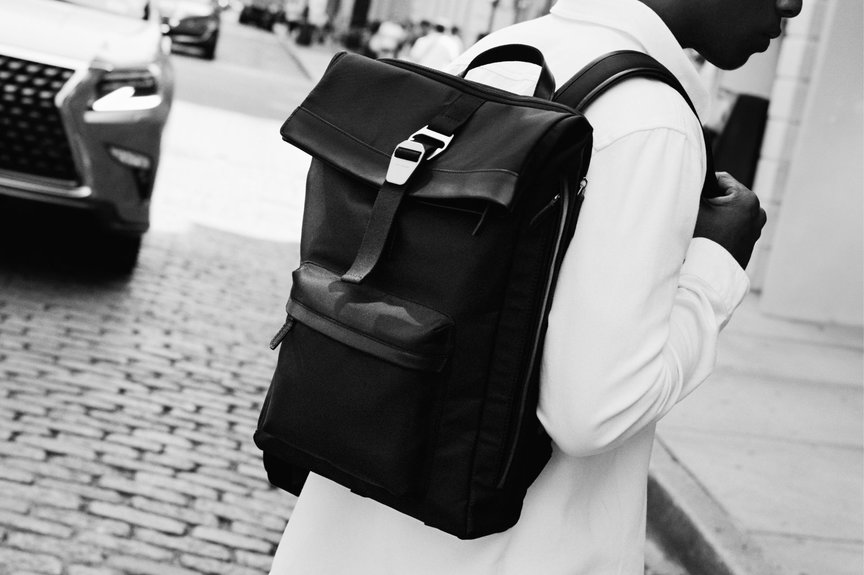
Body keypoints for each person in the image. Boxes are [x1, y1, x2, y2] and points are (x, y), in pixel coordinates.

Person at [268, 0, 799, 573]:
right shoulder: (653, 119)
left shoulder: (501, 52)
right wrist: (714, 269)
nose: (793, 5)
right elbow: (593, 413)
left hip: (352, 536)